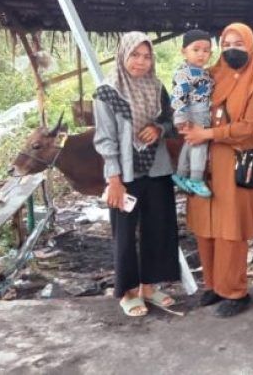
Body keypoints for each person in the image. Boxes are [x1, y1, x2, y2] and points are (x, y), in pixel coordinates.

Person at [181, 22, 253, 318]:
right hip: (201, 163)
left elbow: (249, 128)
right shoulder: (207, 76)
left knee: (230, 231)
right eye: (227, 44)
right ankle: (213, 285)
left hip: (234, 165)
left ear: (251, 46)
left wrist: (208, 134)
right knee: (205, 227)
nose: (232, 49)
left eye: (239, 44)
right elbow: (188, 102)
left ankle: (235, 292)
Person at [93, 31, 180, 317]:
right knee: (125, 234)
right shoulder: (107, 92)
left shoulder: (156, 87)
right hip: (125, 174)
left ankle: (149, 287)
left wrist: (159, 128)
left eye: (146, 56)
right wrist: (114, 180)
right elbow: (105, 140)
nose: (140, 62)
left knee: (158, 228)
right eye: (134, 55)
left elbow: (171, 121)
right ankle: (128, 292)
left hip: (157, 169)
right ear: (122, 55)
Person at [171, 29, 214, 198]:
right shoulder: (184, 73)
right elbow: (178, 95)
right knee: (200, 143)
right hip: (195, 112)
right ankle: (196, 179)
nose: (201, 54)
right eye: (196, 49)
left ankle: (181, 174)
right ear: (184, 51)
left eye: (206, 50)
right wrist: (180, 117)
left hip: (200, 110)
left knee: (190, 143)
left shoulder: (203, 72)